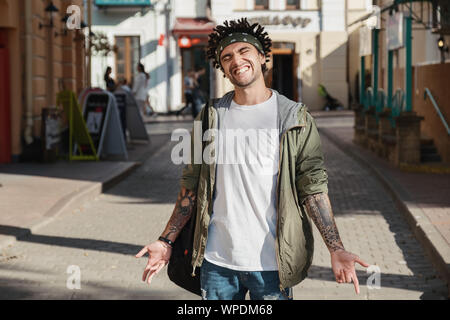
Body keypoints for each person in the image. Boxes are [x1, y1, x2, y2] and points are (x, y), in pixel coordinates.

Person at [136, 18, 369, 300]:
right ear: (222, 68)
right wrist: (165, 240)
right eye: (227, 57)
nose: (237, 60)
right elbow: (191, 187)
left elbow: (313, 187)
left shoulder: (295, 118)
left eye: (244, 51)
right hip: (217, 263)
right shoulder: (210, 117)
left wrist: (336, 248)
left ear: (261, 56)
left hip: (272, 266)